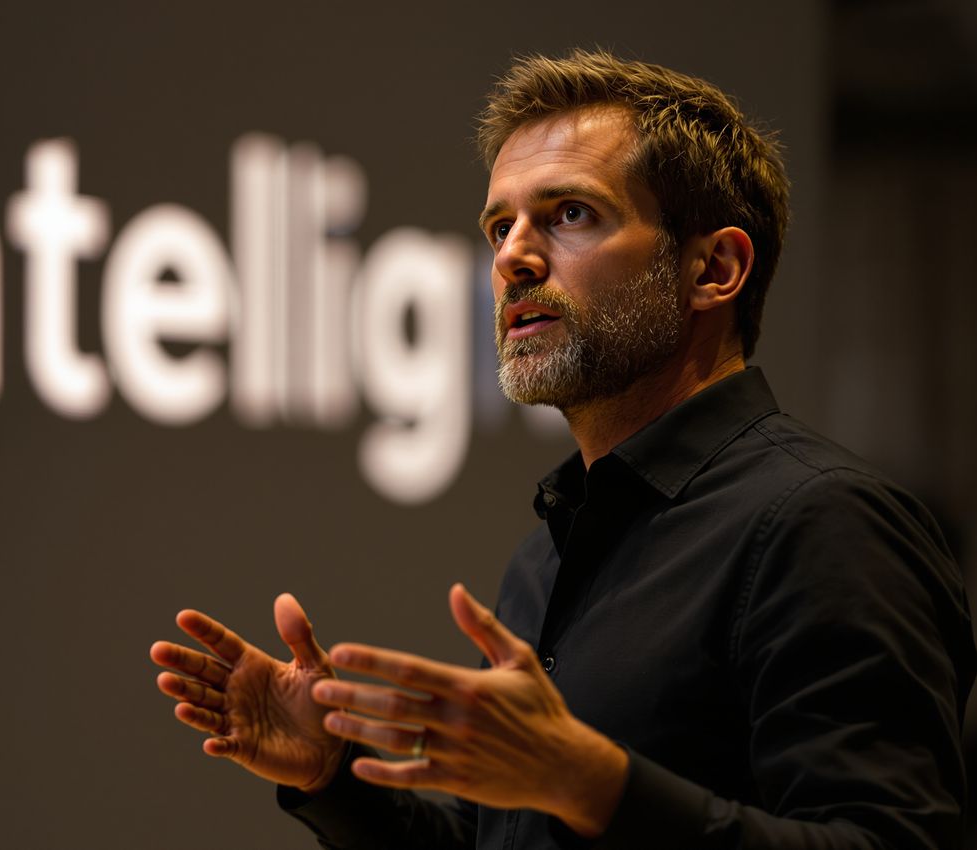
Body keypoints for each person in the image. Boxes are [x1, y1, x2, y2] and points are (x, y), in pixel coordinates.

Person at [149, 50, 976, 849]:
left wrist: (595, 786)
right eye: (499, 226)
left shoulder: (824, 523)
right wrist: (335, 775)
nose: (512, 257)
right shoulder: (544, 562)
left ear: (713, 268)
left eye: (570, 214)